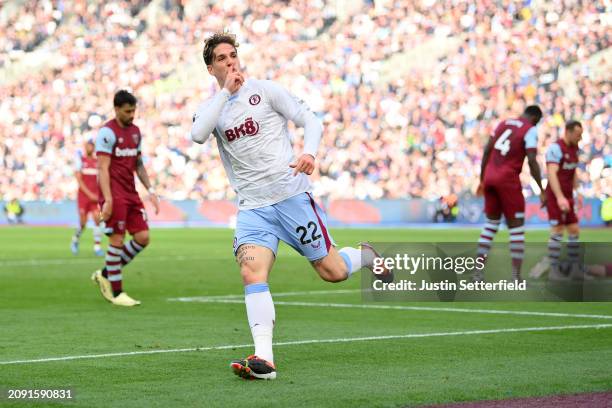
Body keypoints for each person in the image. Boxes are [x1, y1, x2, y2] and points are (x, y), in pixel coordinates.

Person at [190, 32, 392, 381]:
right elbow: (196, 135)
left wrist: (309, 152)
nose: (231, 62)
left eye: (233, 55)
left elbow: (311, 120)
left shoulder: (266, 91)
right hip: (253, 209)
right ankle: (264, 360)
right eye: (222, 59)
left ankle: (367, 256)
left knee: (333, 272)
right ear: (211, 69)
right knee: (251, 273)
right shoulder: (213, 110)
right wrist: (225, 93)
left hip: (291, 199)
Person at [91, 90, 159, 307]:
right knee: (117, 240)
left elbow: (138, 163)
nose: (132, 115)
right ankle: (117, 293)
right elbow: (102, 168)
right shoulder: (107, 133)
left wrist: (151, 189)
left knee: (143, 237)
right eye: (128, 111)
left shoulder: (136, 132)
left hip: (131, 192)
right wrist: (108, 200)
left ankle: (105, 273)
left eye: (134, 111)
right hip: (113, 193)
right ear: (117, 109)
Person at [474, 105, 546, 282]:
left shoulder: (502, 123)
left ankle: (477, 274)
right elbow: (531, 160)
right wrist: (541, 189)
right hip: (507, 180)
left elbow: (486, 150)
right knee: (517, 228)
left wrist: (482, 179)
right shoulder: (530, 130)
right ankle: (515, 278)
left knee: (490, 225)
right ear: (535, 119)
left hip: (490, 176)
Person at [545, 120, 585, 280]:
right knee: (558, 230)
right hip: (556, 196)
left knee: (574, 229)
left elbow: (573, 171)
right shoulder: (555, 148)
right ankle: (554, 271)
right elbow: (551, 173)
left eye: (581, 135)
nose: (580, 138)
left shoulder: (575, 148)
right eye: (577, 135)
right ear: (567, 132)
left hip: (568, 195)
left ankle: (574, 269)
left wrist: (578, 191)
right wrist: (560, 197)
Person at [71, 139, 104, 256]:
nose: (90, 148)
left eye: (92, 146)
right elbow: (79, 179)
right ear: (85, 147)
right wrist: (89, 194)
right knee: (83, 222)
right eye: (88, 145)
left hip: (95, 197)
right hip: (83, 197)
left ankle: (97, 247)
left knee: (98, 218)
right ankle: (75, 239)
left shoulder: (97, 162)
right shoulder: (80, 160)